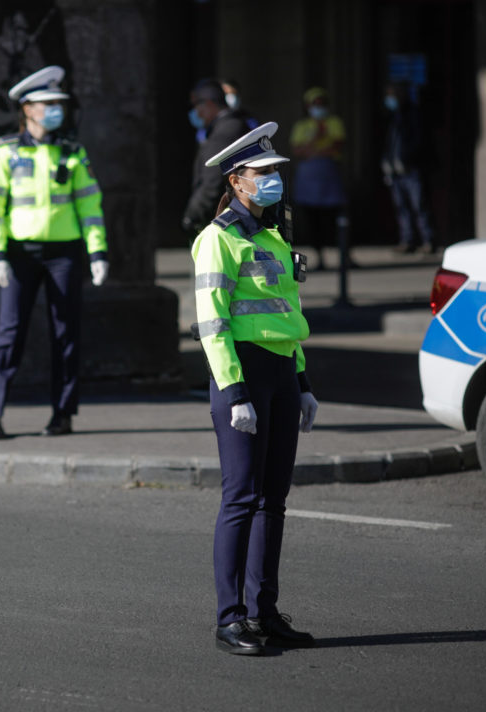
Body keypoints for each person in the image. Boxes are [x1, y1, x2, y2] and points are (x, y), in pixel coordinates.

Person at [191, 122, 319, 655]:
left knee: (274, 501)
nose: (272, 180)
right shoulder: (219, 239)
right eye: (262, 173)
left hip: (282, 376)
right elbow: (212, 323)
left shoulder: (270, 235)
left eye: (275, 172)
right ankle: (229, 619)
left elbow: (286, 316)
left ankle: (263, 612)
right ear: (237, 180)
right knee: (241, 499)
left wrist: (303, 381)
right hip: (242, 375)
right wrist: (235, 390)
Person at [0, 66, 108, 440]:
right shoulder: (6, 154)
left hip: (63, 253)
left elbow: (90, 206)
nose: (55, 110)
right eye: (47, 103)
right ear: (27, 109)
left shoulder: (72, 152)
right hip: (19, 254)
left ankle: (62, 414)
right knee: (9, 332)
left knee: (66, 333)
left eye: (58, 103)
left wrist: (98, 252)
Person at [182, 79, 250, 235]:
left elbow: (212, 181)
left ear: (209, 103)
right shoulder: (232, 125)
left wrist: (193, 215)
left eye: (197, 105)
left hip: (225, 221)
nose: (196, 112)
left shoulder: (225, 131)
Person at [289, 87, 347, 270]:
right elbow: (297, 150)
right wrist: (318, 139)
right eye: (315, 104)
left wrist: (313, 150)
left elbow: (337, 147)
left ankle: (341, 255)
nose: (318, 107)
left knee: (333, 217)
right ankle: (319, 256)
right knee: (312, 218)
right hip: (308, 176)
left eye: (322, 104)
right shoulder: (302, 126)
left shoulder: (334, 122)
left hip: (328, 173)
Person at [381, 83, 434, 254]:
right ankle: (407, 240)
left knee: (419, 206)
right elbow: (389, 142)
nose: (391, 99)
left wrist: (408, 158)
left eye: (393, 94)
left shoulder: (413, 114)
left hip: (412, 169)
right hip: (395, 171)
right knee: (401, 208)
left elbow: (419, 141)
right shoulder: (392, 117)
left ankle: (428, 240)